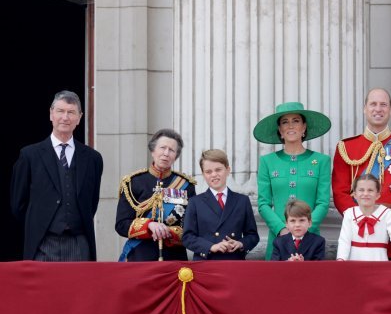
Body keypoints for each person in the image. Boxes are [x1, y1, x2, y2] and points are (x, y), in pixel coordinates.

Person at [10, 91, 104, 261]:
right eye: (60, 111)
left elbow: (91, 203)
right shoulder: (30, 155)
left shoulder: (92, 159)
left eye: (71, 112)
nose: (65, 117)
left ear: (79, 117)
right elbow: (18, 204)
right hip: (42, 243)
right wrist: (38, 224)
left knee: (79, 287)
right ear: (51, 114)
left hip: (79, 243)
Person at [332, 88, 391, 259]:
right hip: (358, 233)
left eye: (383, 105)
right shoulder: (346, 148)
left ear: (390, 110)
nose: (378, 109)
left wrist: (386, 220)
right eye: (373, 104)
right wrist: (359, 218)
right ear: (365, 109)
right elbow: (339, 192)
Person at [254, 102, 332, 260]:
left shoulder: (321, 161)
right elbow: (263, 204)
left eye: (296, 121)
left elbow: (323, 202)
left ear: (304, 128)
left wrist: (304, 228)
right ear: (280, 131)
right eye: (285, 122)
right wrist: (282, 229)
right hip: (278, 240)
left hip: (311, 242)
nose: (290, 126)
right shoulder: (267, 161)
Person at [116, 129, 196, 261]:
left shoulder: (187, 185)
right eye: (162, 148)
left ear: (176, 156)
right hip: (140, 256)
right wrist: (148, 225)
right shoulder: (133, 182)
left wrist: (169, 232)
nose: (166, 153)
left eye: (171, 150)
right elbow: (121, 225)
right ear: (153, 151)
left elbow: (192, 226)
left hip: (174, 258)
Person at [182, 149, 260, 260]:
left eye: (218, 170)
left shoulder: (242, 201)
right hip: (206, 263)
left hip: (234, 262)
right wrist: (211, 246)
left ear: (228, 170)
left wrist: (241, 244)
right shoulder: (195, 202)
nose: (214, 175)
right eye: (208, 172)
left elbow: (252, 236)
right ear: (203, 174)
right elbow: (188, 237)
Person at [336, 174, 391, 261]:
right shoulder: (349, 213)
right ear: (355, 195)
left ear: (378, 195)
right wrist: (341, 259)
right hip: (354, 264)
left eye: (370, 190)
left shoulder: (387, 214)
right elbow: (344, 240)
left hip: (379, 263)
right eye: (361, 190)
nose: (365, 193)